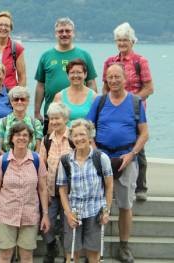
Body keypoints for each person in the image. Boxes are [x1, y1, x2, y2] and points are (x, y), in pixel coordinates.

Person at [87, 64, 149, 263]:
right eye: (109, 77)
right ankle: (93, 248)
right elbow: (88, 129)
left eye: (117, 77)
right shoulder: (100, 101)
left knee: (125, 205)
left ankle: (124, 246)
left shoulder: (136, 102)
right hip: (101, 159)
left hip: (126, 159)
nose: (113, 80)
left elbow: (145, 133)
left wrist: (132, 155)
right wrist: (95, 151)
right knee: (96, 204)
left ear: (125, 79)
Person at [102, 22, 154, 202]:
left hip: (135, 111)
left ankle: (140, 186)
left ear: (132, 41)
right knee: (112, 145)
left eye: (125, 40)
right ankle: (113, 184)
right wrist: (104, 105)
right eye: (119, 40)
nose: (122, 43)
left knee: (137, 147)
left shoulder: (140, 61)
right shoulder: (110, 62)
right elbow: (105, 87)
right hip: (112, 110)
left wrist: (132, 102)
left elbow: (149, 88)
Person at [0, 122, 50, 263]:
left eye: (25, 135)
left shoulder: (37, 160)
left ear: (30, 138)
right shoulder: (2, 161)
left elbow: (42, 188)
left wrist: (45, 215)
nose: (21, 138)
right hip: (6, 215)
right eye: (17, 135)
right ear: (11, 138)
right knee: (4, 256)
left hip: (30, 216)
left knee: (27, 256)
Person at [57, 119, 113, 263]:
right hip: (74, 213)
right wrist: (68, 213)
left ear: (90, 137)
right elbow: (62, 189)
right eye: (75, 135)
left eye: (82, 134)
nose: (79, 138)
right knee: (72, 255)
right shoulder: (65, 161)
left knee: (94, 255)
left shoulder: (101, 158)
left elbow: (109, 186)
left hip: (95, 212)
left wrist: (106, 210)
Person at [34, 17, 97, 134]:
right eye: (60, 31)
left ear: (73, 33)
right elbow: (40, 85)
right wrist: (37, 112)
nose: (64, 34)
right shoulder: (46, 56)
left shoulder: (84, 55)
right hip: (52, 115)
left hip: (80, 117)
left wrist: (93, 109)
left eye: (67, 31)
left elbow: (91, 82)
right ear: (55, 34)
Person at [39, 102, 72, 263]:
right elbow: (41, 168)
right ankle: (51, 246)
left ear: (65, 118)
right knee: (47, 225)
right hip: (51, 192)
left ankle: (68, 257)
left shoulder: (73, 138)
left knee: (68, 228)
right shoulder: (47, 140)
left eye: (57, 118)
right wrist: (44, 191)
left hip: (70, 193)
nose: (54, 122)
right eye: (51, 119)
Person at [0, 86, 43, 153]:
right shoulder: (2, 122)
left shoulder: (35, 123)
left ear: (28, 102)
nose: (19, 102)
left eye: (22, 99)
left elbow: (39, 149)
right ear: (11, 102)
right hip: (8, 161)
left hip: (30, 162)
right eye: (16, 99)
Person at [54, 59, 97, 126]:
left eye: (79, 72)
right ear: (67, 76)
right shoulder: (59, 97)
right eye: (72, 72)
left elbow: (97, 122)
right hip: (65, 136)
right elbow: (53, 123)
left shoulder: (94, 97)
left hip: (86, 135)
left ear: (85, 74)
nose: (76, 75)